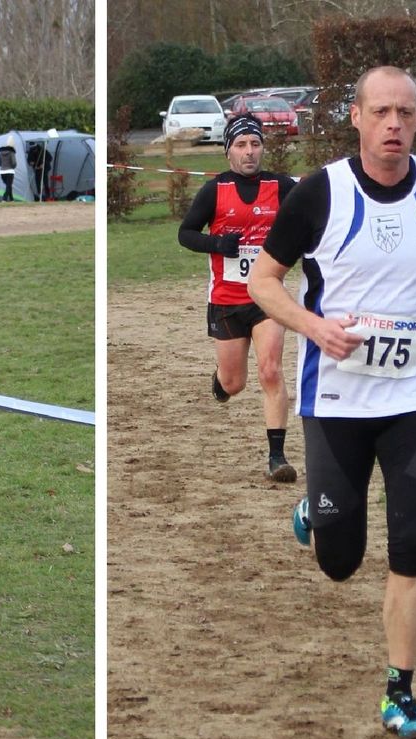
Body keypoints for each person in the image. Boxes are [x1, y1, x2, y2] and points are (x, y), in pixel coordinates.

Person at [251, 66, 416, 739]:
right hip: (338, 396)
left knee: (413, 541)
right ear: (359, 118)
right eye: (382, 112)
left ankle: (399, 690)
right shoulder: (319, 193)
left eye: (405, 112)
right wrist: (313, 327)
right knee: (340, 560)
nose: (395, 124)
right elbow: (264, 280)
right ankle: (317, 508)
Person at [176, 114, 298, 482]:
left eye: (255, 144)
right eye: (242, 145)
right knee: (234, 383)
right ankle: (221, 381)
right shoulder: (215, 190)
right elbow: (185, 233)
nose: (250, 152)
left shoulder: (282, 186)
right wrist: (215, 243)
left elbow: (309, 223)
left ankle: (277, 456)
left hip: (268, 297)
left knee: (271, 370)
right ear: (229, 151)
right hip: (227, 299)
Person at [0, 136, 16, 201]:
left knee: (8, 185)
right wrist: (12, 167)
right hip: (10, 171)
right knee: (9, 186)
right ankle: (4, 199)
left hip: (2, 172)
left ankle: (11, 199)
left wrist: (3, 166)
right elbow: (14, 163)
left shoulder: (1, 152)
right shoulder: (11, 152)